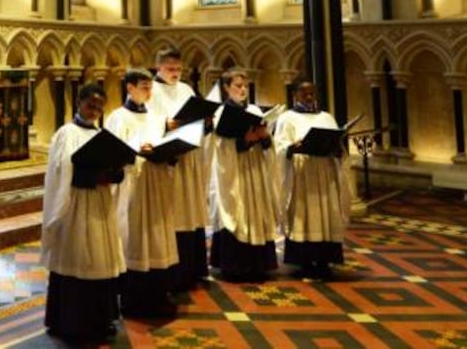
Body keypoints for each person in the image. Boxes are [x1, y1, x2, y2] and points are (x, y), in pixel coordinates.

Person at [42, 82, 124, 343]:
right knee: (78, 258)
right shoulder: (67, 133)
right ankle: (71, 322)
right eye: (91, 105)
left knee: (100, 259)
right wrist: (94, 177)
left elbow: (118, 168)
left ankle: (99, 320)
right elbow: (61, 172)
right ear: (79, 103)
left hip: (100, 203)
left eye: (100, 106)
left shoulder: (102, 135)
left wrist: (114, 173)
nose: (95, 111)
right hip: (75, 205)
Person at [103, 69, 178, 319]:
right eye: (144, 86)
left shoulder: (157, 118)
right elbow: (112, 152)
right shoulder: (117, 117)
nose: (149, 91)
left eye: (150, 86)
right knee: (134, 236)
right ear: (130, 88)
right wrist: (137, 149)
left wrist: (170, 151)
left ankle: (158, 294)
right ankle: (132, 298)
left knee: (157, 236)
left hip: (156, 183)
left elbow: (165, 146)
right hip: (133, 186)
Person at [272, 80, 352, 280]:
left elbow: (338, 147)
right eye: (304, 94)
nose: (309, 97)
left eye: (312, 93)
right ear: (295, 96)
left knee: (326, 215)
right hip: (302, 176)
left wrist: (337, 148)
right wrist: (292, 147)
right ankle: (305, 261)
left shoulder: (327, 118)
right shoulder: (287, 118)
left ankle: (324, 260)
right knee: (304, 216)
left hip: (325, 174)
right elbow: (279, 148)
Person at [209, 70, 282, 281]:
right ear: (226, 88)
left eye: (245, 85)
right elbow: (220, 146)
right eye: (238, 85)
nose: (243, 89)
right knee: (236, 213)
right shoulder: (220, 113)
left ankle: (258, 265)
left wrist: (264, 137)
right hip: (234, 172)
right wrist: (245, 141)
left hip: (254, 169)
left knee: (256, 211)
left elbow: (267, 145)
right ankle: (235, 266)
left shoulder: (254, 110)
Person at [149, 47, 209, 288]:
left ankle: (193, 269)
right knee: (175, 212)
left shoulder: (186, 89)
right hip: (169, 160)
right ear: (158, 67)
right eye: (170, 69)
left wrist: (205, 119)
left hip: (190, 155)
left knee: (191, 209)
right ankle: (174, 272)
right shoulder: (151, 90)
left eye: (178, 69)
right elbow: (145, 121)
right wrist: (165, 124)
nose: (175, 73)